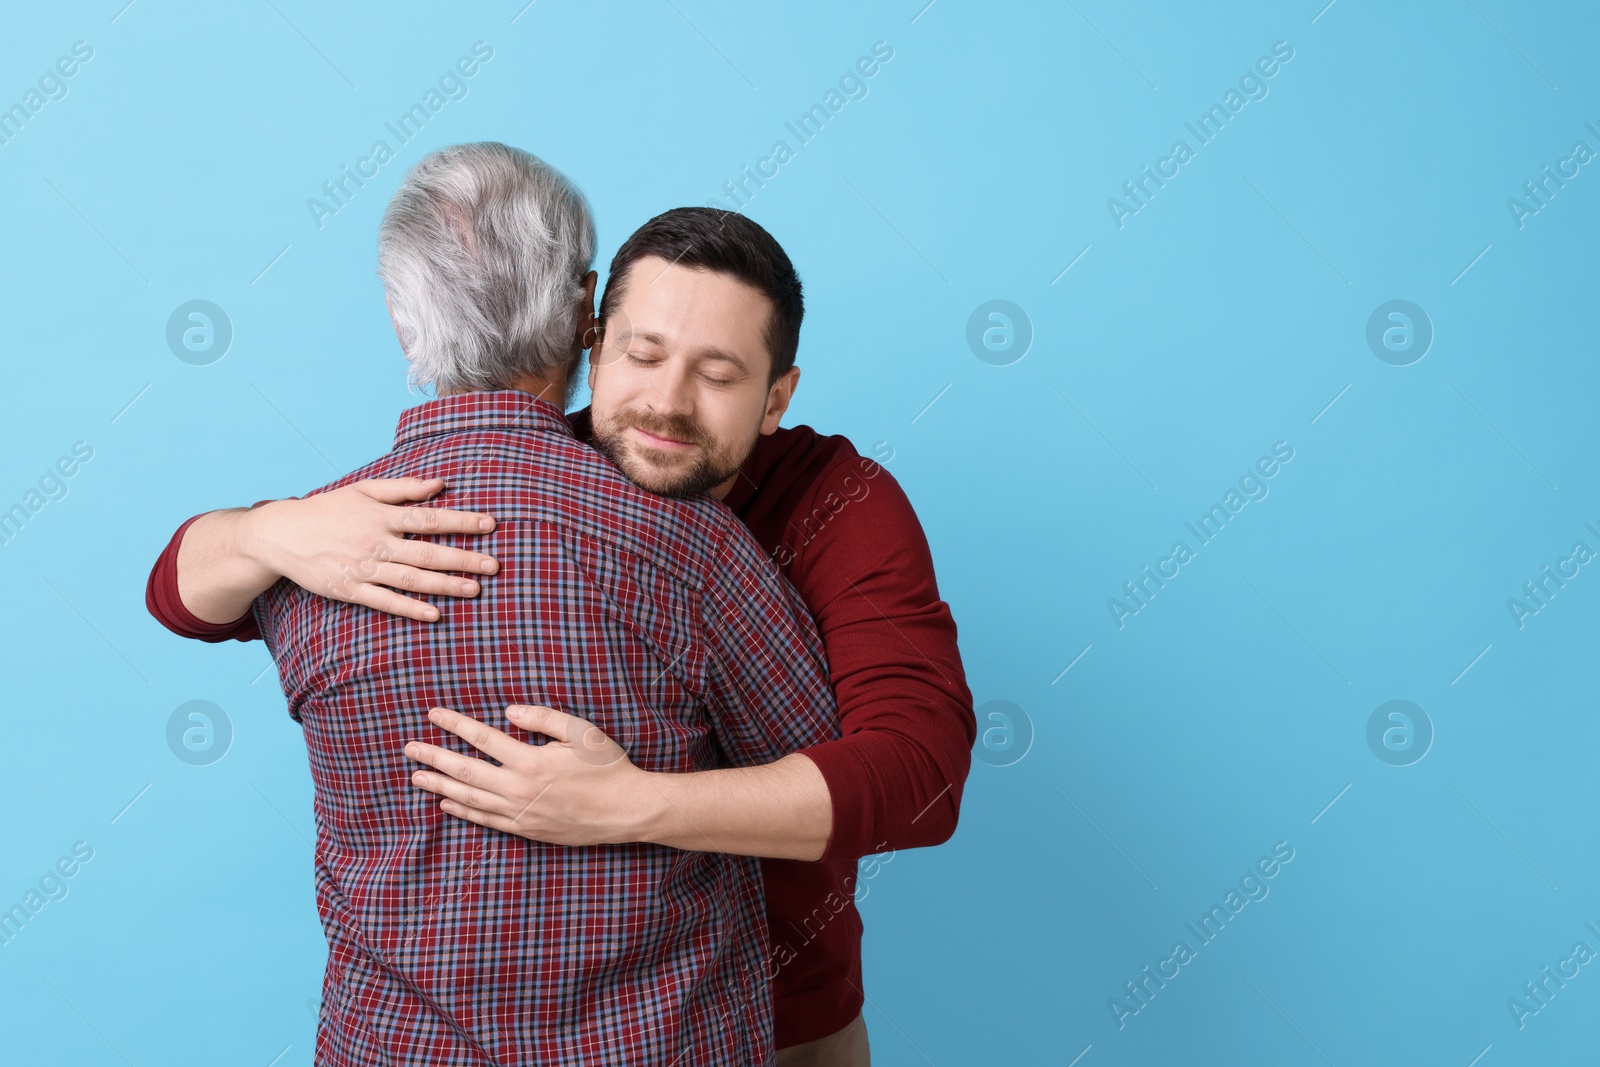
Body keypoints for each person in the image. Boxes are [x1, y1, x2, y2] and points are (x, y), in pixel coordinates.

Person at [148, 204, 976, 1063]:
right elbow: (184, 597)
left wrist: (629, 804)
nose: (665, 401)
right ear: (590, 337)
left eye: (718, 374)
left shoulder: (838, 501)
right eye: (641, 354)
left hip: (780, 1010)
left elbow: (916, 775)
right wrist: (265, 532)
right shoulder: (509, 484)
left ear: (776, 397)